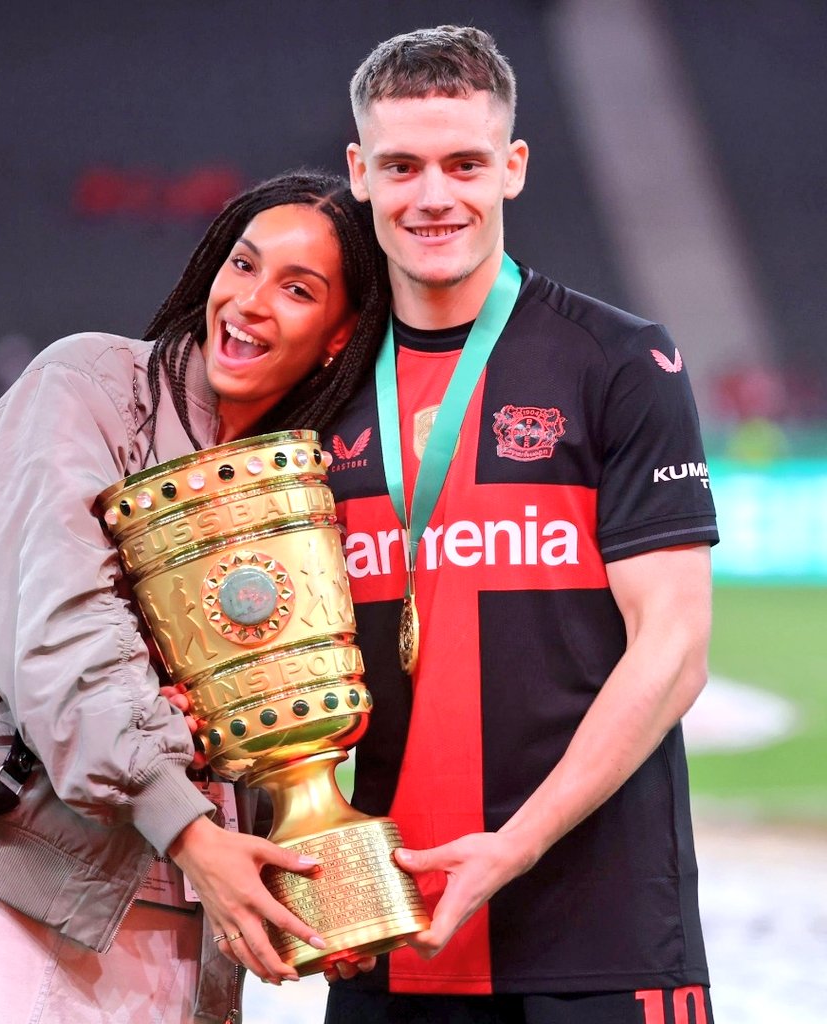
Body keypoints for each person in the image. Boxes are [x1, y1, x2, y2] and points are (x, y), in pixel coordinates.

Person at [0, 170, 390, 1024]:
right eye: (243, 265)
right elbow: (62, 631)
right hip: (17, 896)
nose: (251, 302)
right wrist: (189, 830)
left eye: (297, 290)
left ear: (340, 336)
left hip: (184, 933)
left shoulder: (307, 474)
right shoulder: (89, 387)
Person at [323, 25, 719, 1023]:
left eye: (464, 163)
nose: (434, 196)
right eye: (402, 166)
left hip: (600, 934)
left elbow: (672, 650)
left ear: (513, 167)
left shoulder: (618, 362)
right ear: (359, 174)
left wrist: (515, 842)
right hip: (388, 933)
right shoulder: (318, 393)